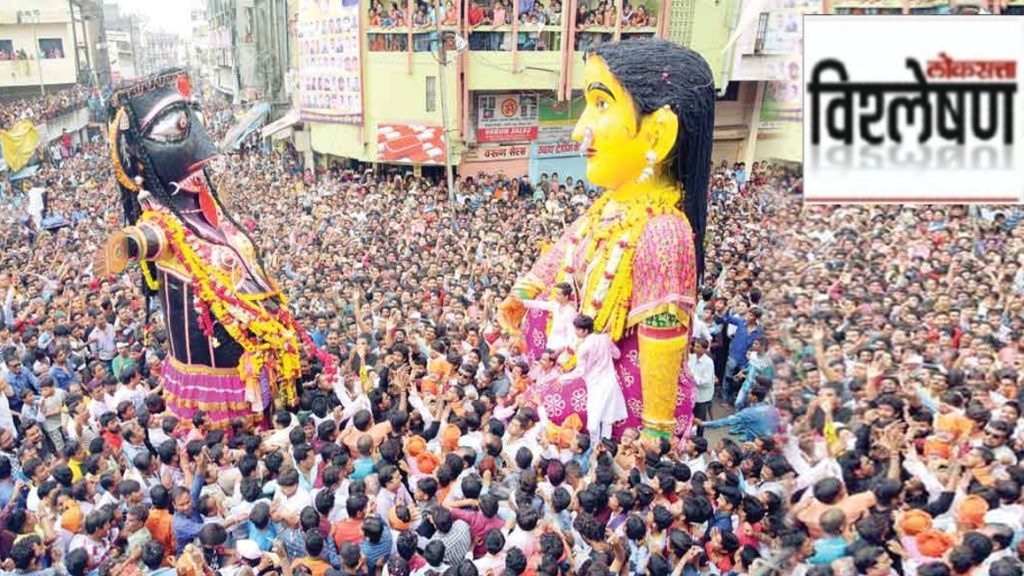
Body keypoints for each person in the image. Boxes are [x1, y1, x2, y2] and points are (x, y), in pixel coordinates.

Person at [499, 38, 715, 440]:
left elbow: (661, 341)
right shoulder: (608, 206)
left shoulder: (665, 231)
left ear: (660, 132)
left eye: (601, 104)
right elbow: (563, 250)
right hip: (577, 361)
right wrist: (523, 290)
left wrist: (656, 433)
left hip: (619, 405)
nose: (581, 129)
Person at [558, 315, 627, 440]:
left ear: (585, 330)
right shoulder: (605, 338)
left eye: (578, 329)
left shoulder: (583, 348)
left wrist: (562, 378)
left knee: (594, 421)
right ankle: (605, 449)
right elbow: (617, 355)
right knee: (607, 419)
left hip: (596, 385)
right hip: (610, 383)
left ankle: (595, 447)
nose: (576, 331)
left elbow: (580, 371)